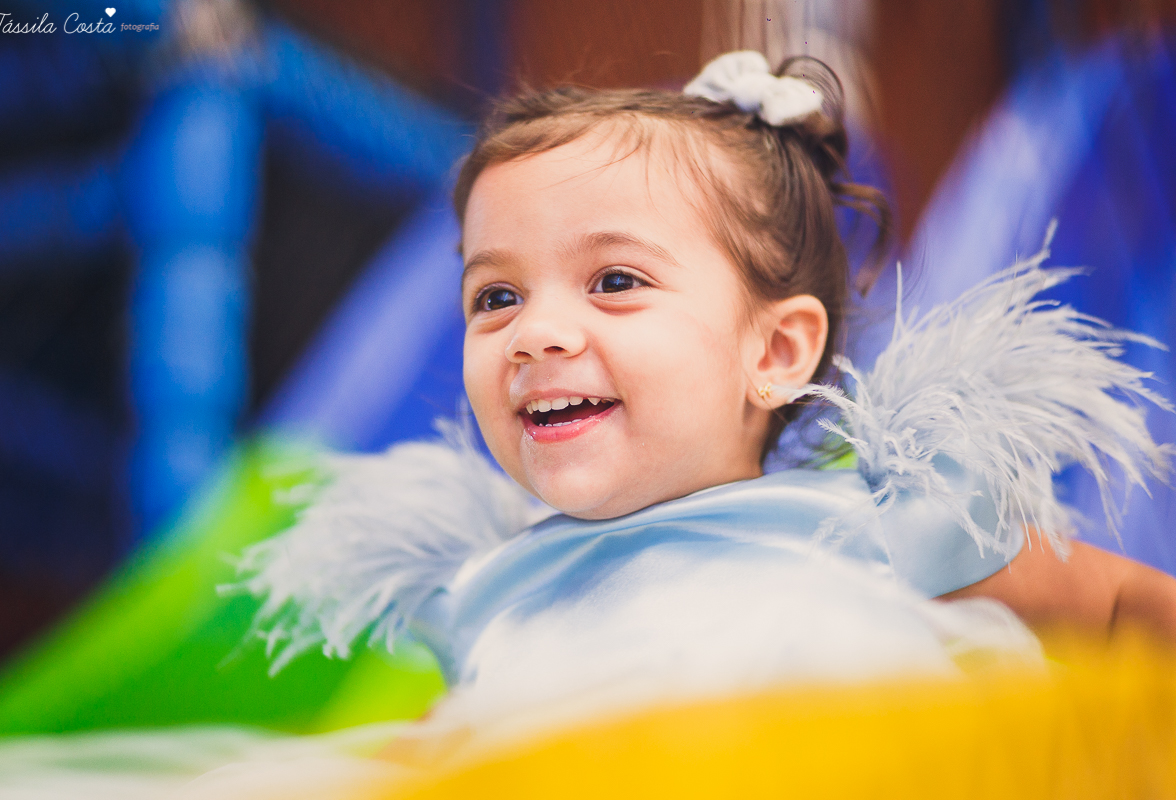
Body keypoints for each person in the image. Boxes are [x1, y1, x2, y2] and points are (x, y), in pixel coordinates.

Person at [233, 51, 1176, 758]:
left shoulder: (873, 526)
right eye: (496, 297)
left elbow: (1116, 603)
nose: (533, 333)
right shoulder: (494, 590)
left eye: (614, 281)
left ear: (774, 353)